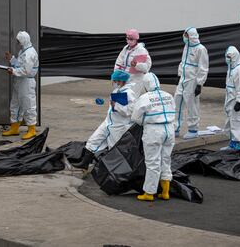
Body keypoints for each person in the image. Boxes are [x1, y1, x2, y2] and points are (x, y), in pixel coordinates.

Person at [74, 70, 136, 169]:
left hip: (119, 126)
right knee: (93, 140)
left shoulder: (129, 93)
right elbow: (112, 107)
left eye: (115, 81)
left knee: (115, 149)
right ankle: (84, 163)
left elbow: (130, 112)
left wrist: (117, 106)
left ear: (121, 81)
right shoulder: (116, 91)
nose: (114, 83)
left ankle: (116, 171)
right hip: (108, 123)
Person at [132, 72, 176, 202]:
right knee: (166, 160)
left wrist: (144, 121)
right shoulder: (168, 95)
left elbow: (135, 117)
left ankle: (149, 193)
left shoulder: (145, 97)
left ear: (145, 84)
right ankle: (165, 191)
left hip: (154, 130)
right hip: (169, 129)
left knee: (152, 162)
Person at [2, 31, 39, 140]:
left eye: (19, 40)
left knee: (28, 105)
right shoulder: (23, 51)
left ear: (23, 40)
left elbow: (26, 70)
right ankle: (14, 128)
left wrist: (13, 71)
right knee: (15, 104)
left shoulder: (30, 54)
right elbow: (20, 65)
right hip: (19, 81)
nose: (18, 42)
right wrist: (12, 60)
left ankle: (32, 129)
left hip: (26, 82)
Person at [174, 27, 209, 139]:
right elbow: (183, 62)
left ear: (191, 36)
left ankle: (193, 129)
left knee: (191, 104)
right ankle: (175, 128)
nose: (184, 37)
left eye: (186, 35)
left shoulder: (201, 49)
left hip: (192, 80)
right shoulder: (187, 46)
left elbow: (203, 67)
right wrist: (179, 75)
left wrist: (199, 84)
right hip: (183, 79)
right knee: (177, 101)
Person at [221, 46, 240, 151]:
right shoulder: (231, 68)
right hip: (230, 98)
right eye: (227, 56)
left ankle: (239, 146)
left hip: (236, 100)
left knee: (238, 121)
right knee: (232, 121)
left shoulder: (239, 69)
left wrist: (239, 101)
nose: (228, 58)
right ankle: (233, 143)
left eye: (230, 56)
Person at [114, 29, 152, 97]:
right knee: (122, 99)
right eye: (128, 38)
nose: (129, 40)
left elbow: (147, 67)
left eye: (131, 39)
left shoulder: (142, 50)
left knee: (132, 99)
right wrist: (116, 74)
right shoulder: (125, 48)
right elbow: (119, 62)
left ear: (136, 39)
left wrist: (137, 65)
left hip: (135, 80)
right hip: (123, 78)